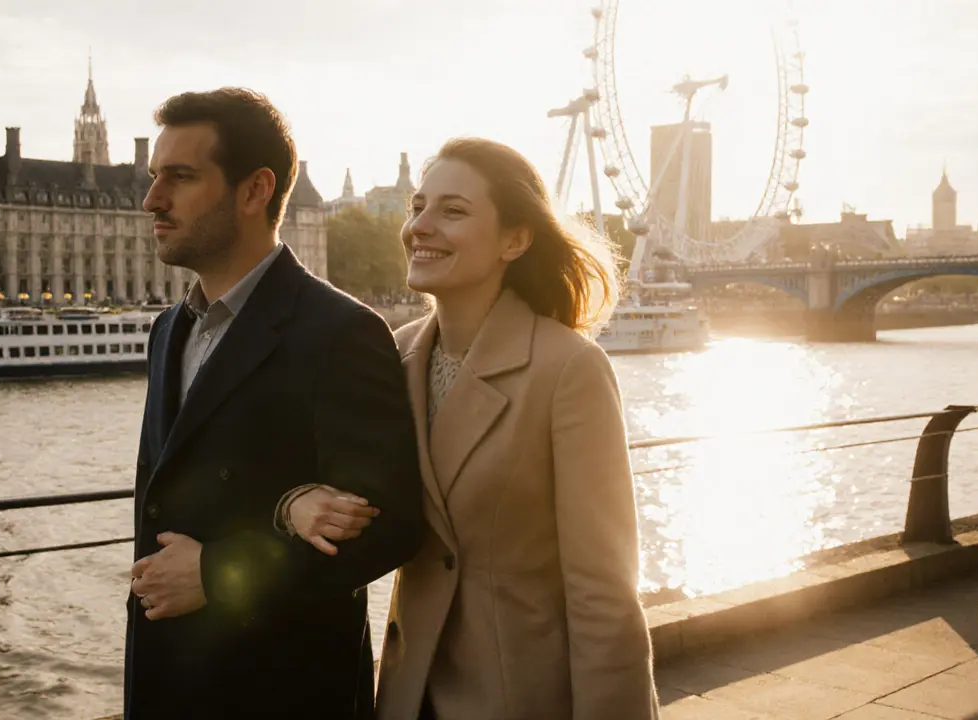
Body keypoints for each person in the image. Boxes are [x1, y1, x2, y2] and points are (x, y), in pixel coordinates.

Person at [286, 138, 660, 719]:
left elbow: (604, 592)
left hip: (518, 698)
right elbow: (346, 497)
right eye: (417, 207)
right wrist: (298, 500)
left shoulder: (568, 370)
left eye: (453, 211)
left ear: (516, 239)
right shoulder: (395, 356)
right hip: (409, 695)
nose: (420, 227)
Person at [125, 87, 426, 719]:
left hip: (280, 689)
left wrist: (217, 573)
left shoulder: (339, 331)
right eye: (155, 178)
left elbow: (391, 526)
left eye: (180, 178)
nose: (152, 200)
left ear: (256, 191)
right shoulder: (166, 332)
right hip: (169, 681)